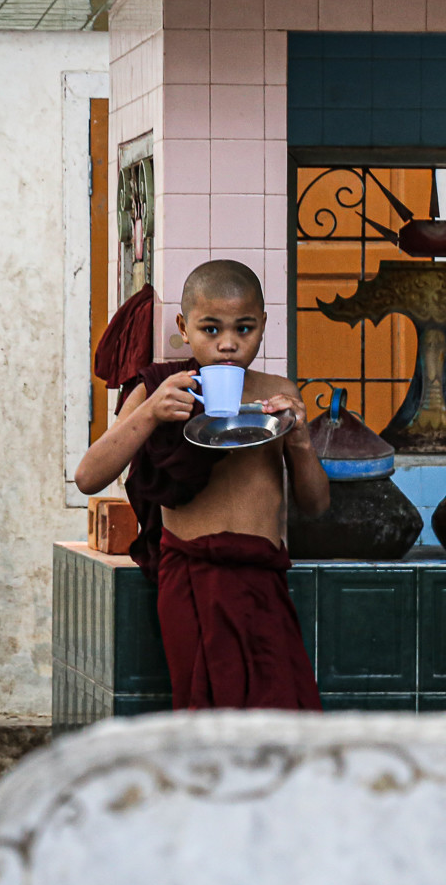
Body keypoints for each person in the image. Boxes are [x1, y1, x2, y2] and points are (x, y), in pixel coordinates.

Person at [75, 260, 330, 712]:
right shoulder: (160, 388)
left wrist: (301, 437)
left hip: (262, 579)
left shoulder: (277, 394)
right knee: (207, 717)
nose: (228, 344)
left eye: (244, 329)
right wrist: (151, 411)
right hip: (192, 580)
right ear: (184, 327)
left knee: (282, 718)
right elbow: (88, 476)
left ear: (264, 326)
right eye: (210, 329)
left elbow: (315, 506)